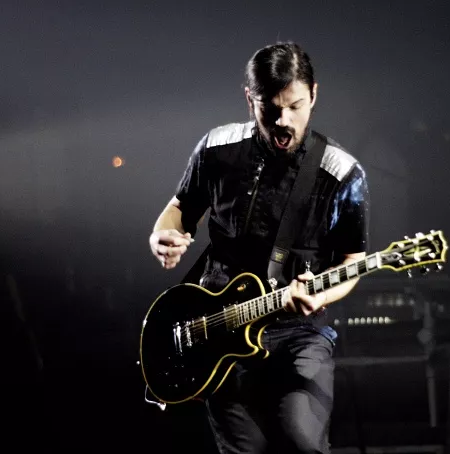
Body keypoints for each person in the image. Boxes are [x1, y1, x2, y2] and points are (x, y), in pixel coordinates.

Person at [148, 41, 370, 454]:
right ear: (250, 99)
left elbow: (353, 261)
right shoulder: (217, 147)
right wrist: (162, 235)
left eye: (295, 106)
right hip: (218, 328)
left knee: (302, 442)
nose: (284, 121)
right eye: (271, 108)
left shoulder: (342, 173)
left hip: (299, 331)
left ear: (313, 95)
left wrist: (320, 294)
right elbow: (180, 209)